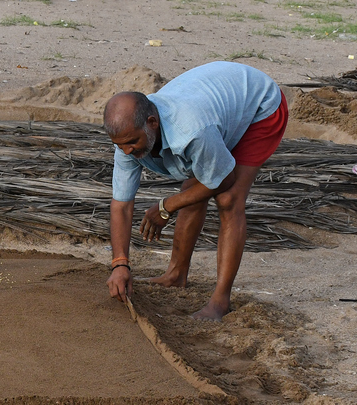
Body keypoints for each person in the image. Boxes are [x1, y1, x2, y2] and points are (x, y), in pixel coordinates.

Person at [103, 61, 288, 321]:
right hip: (217, 107)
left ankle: (220, 302)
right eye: (120, 145)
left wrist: (167, 206)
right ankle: (176, 275)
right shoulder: (127, 138)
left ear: (152, 122)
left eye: (133, 143)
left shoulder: (191, 132)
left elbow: (223, 180)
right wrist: (120, 263)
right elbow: (121, 204)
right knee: (194, 186)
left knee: (229, 199)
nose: (127, 152)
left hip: (260, 105)